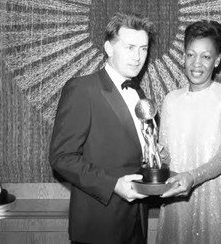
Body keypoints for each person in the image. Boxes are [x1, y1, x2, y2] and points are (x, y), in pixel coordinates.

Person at [49, 12, 156, 244]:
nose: (138, 57)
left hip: (137, 224)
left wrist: (154, 155)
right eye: (130, 47)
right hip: (98, 229)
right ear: (108, 48)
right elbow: (61, 157)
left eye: (144, 49)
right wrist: (114, 185)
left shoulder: (139, 94)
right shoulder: (81, 89)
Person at [156, 20, 221, 243]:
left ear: (217, 61)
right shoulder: (171, 100)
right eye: (190, 54)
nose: (196, 64)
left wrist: (193, 177)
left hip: (219, 201)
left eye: (206, 57)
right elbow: (166, 154)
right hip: (178, 202)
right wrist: (158, 155)